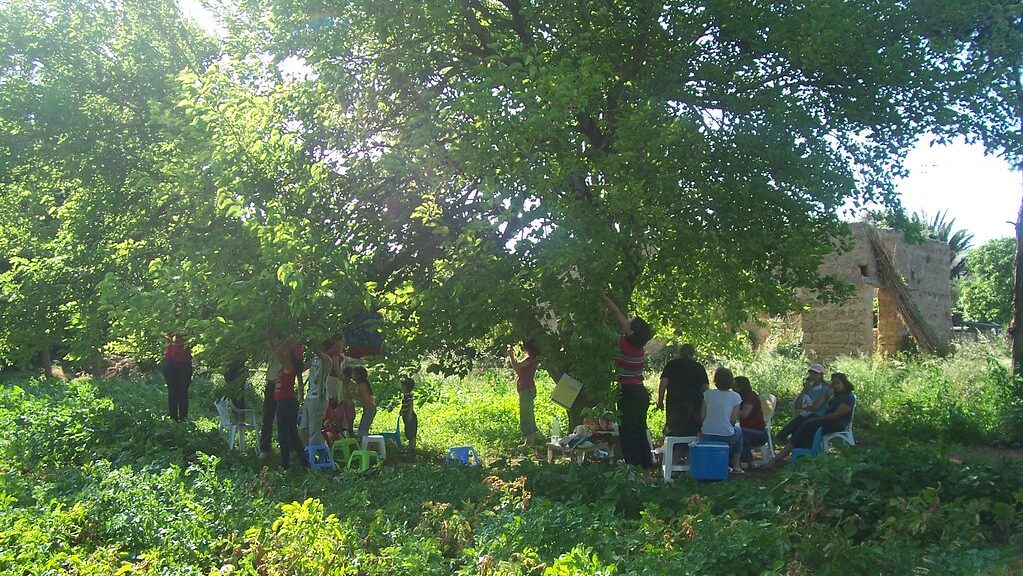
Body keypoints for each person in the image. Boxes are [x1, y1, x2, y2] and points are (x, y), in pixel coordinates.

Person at [601, 293, 655, 469]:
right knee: (639, 432)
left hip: (629, 394)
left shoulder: (624, 344)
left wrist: (600, 301)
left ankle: (632, 470)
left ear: (632, 331)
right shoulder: (637, 346)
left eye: (629, 322)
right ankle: (646, 472)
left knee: (627, 434)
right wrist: (605, 298)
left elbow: (610, 322)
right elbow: (618, 315)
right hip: (640, 393)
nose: (627, 321)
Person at [771, 373, 856, 465]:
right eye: (833, 384)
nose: (835, 386)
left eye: (838, 383)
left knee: (808, 424)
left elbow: (837, 414)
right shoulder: (837, 394)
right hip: (827, 420)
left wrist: (818, 419)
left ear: (844, 383)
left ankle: (784, 456)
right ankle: (793, 447)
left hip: (838, 423)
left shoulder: (848, 397)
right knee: (803, 421)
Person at [656, 343, 709, 437]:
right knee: (692, 431)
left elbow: (663, 384)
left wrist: (660, 401)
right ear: (693, 353)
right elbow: (705, 388)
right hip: (694, 403)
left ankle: (673, 449)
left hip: (674, 402)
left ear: (679, 352)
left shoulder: (671, 365)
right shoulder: (699, 367)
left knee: (673, 430)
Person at [268, 338, 305, 470]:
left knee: (283, 435)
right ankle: (304, 463)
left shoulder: (289, 365)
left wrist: (285, 341)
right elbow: (275, 352)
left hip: (285, 402)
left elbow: (277, 352)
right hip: (287, 401)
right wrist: (270, 340)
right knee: (293, 434)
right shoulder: (287, 365)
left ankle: (285, 466)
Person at [700, 367, 744, 474]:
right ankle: (736, 465)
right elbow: (733, 420)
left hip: (706, 434)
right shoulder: (735, 396)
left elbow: (702, 417)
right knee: (739, 431)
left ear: (715, 381)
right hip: (726, 436)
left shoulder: (708, 394)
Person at [776, 363, 831, 444]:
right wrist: (804, 391)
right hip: (805, 415)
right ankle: (792, 446)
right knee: (782, 435)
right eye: (811, 373)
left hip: (817, 416)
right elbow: (798, 405)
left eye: (816, 374)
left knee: (799, 431)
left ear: (821, 375)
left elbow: (816, 407)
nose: (813, 376)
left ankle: (794, 446)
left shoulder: (825, 389)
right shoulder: (808, 387)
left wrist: (804, 408)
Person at [298, 339, 332, 446]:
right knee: (304, 428)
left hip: (319, 397)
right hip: (310, 396)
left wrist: (312, 337)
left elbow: (315, 349)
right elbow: (301, 368)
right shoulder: (314, 359)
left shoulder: (327, 359)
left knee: (314, 430)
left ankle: (318, 455)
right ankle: (308, 451)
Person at [507, 339, 540, 446]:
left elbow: (517, 366)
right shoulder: (530, 358)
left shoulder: (530, 359)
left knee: (525, 414)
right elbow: (518, 370)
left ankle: (530, 441)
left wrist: (511, 355)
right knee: (528, 413)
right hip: (526, 388)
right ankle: (530, 440)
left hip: (527, 388)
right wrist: (512, 357)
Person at [733, 375, 769, 465]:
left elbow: (745, 414)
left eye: (734, 386)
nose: (732, 388)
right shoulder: (740, 398)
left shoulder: (751, 397)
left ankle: (749, 461)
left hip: (759, 433)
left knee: (740, 432)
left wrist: (729, 410)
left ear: (741, 387)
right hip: (747, 431)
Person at [161, 333, 193, 421]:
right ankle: (173, 418)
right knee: (173, 391)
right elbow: (163, 335)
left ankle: (183, 418)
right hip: (170, 361)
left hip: (185, 362)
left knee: (183, 392)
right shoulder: (169, 324)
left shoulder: (190, 325)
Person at [353, 366, 377, 440]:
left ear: (358, 375)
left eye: (353, 373)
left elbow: (366, 400)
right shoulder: (361, 384)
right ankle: (366, 446)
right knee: (363, 429)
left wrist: (355, 396)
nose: (352, 375)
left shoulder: (362, 386)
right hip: (368, 409)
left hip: (369, 409)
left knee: (362, 431)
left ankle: (365, 447)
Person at [400, 377, 418, 459]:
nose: (401, 388)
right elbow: (404, 405)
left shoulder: (409, 395)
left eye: (402, 386)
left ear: (406, 387)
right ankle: (410, 447)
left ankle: (412, 449)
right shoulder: (405, 396)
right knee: (408, 432)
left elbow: (410, 406)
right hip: (406, 416)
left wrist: (409, 415)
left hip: (409, 416)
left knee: (412, 433)